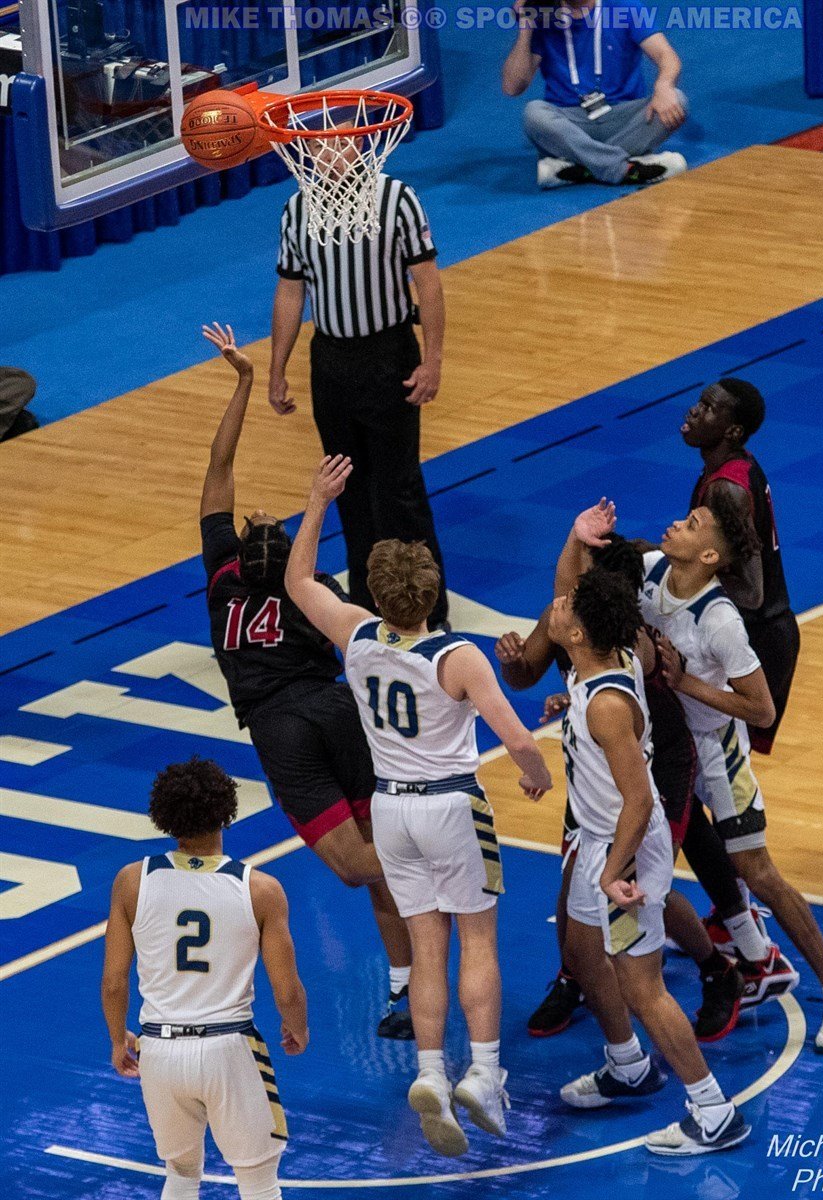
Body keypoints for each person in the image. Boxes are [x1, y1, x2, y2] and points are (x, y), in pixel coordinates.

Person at [285, 454, 553, 1157]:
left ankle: (430, 1072)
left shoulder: (356, 635)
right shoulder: (457, 657)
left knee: (425, 947)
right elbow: (517, 738)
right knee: (479, 940)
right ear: (433, 591)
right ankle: (484, 1074)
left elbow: (298, 580)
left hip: (391, 812)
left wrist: (317, 500)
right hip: (452, 806)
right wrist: (536, 777)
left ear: (377, 594)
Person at [199, 323, 413, 1040]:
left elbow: (219, 467)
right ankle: (407, 977)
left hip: (285, 727)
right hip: (335, 710)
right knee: (380, 860)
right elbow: (367, 646)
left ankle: (418, 935)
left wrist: (242, 382)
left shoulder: (223, 576)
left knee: (358, 867)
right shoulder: (310, 586)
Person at [627, 492, 823, 1053]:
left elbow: (762, 710)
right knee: (676, 845)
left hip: (716, 751)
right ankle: (750, 949)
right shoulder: (650, 570)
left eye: (691, 524)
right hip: (667, 743)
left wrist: (685, 683)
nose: (675, 523)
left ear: (709, 556)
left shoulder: (720, 621)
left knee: (757, 870)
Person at [496, 526, 746, 1044]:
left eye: (581, 568)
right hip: (599, 763)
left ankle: (715, 969)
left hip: (655, 766)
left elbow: (616, 702)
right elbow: (540, 676)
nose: (566, 585)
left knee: (640, 889)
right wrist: (551, 687)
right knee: (576, 889)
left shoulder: (629, 639)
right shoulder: (573, 622)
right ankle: (578, 978)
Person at [547, 567, 750, 1155]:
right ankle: (628, 1065)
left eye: (568, 606)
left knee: (643, 988)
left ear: (580, 634)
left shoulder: (607, 705)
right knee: (583, 949)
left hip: (626, 847)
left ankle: (713, 1111)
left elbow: (637, 801)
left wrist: (613, 870)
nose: (557, 605)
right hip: (600, 838)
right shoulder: (605, 663)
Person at [101, 757, 309, 1200]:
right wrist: (298, 1027)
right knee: (259, 1182)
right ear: (226, 811)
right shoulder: (260, 889)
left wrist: (119, 1040)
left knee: (180, 1176)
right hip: (229, 1048)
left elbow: (114, 982)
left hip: (160, 1049)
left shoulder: (132, 881)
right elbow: (287, 989)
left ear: (164, 815)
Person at [269, 174, 448, 627]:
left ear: (360, 144)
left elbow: (427, 283)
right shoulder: (296, 209)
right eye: (322, 145)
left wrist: (432, 361)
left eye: (342, 142)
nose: (331, 152)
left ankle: (428, 609)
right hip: (330, 361)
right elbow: (290, 291)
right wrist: (276, 368)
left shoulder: (397, 198)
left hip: (389, 353)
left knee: (398, 489)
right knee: (346, 487)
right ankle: (367, 611)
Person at [682, 378, 804, 952]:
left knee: (710, 783)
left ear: (731, 429)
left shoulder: (727, 489)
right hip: (753, 639)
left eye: (708, 409)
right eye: (699, 401)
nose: (693, 411)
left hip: (754, 643)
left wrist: (677, 574)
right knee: (701, 784)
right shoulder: (730, 468)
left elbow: (750, 591)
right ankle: (734, 908)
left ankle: (741, 912)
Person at [502, 0, 688, 189]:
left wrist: (664, 86)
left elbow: (666, 55)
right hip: (571, 124)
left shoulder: (623, 6)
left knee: (677, 99)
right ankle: (625, 168)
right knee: (534, 113)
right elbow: (512, 87)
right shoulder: (544, 16)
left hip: (622, 119)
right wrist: (526, 27)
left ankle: (579, 166)